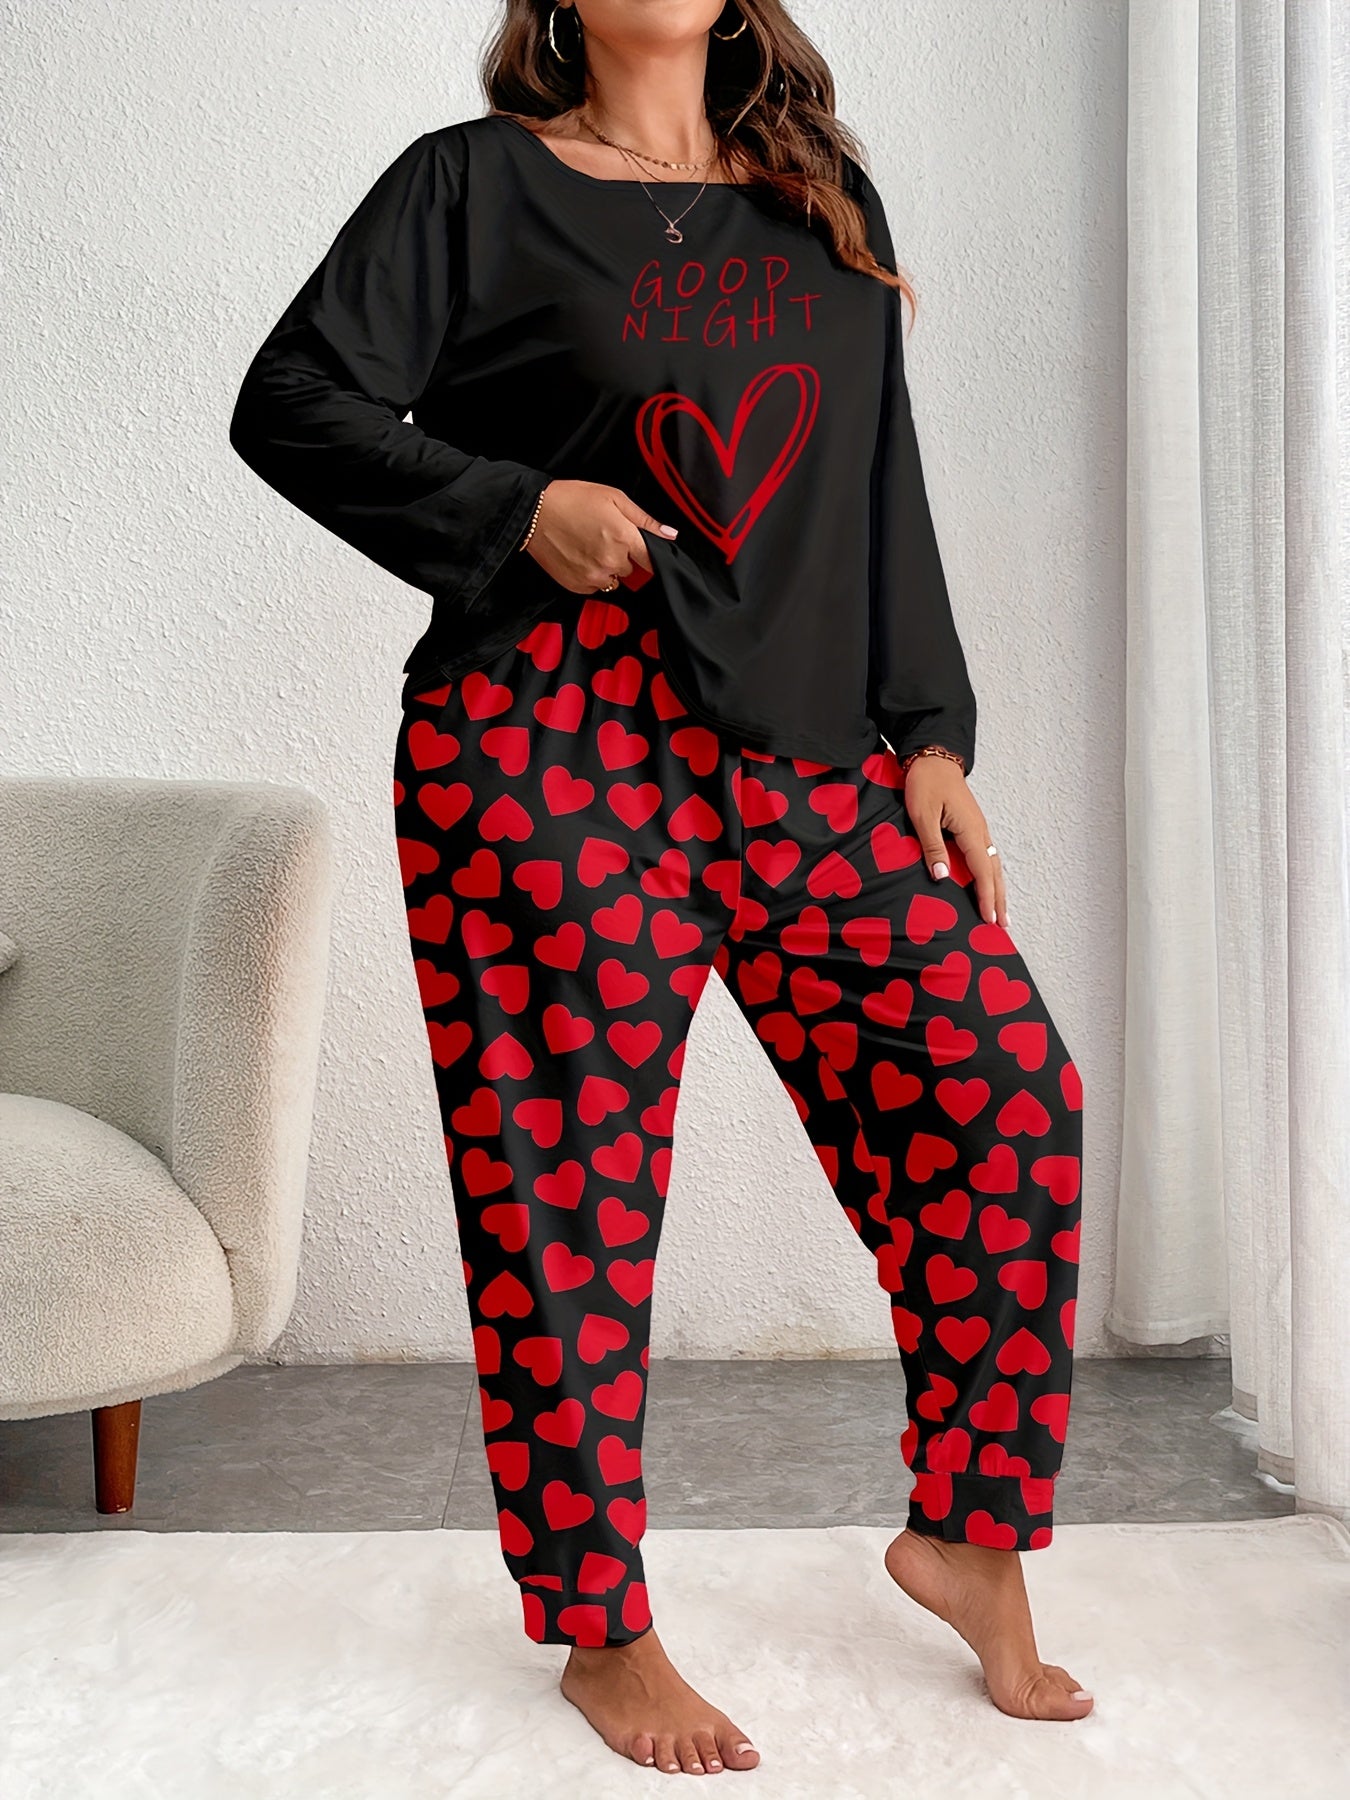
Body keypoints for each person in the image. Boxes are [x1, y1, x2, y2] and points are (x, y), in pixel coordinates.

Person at [228, 0, 1092, 1776]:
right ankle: (601, 1631)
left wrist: (931, 727)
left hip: (808, 748)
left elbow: (875, 468)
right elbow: (289, 403)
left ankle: (970, 1536)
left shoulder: (815, 191)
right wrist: (514, 506)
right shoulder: (469, 186)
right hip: (546, 743)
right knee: (567, 1191)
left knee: (1005, 1099)